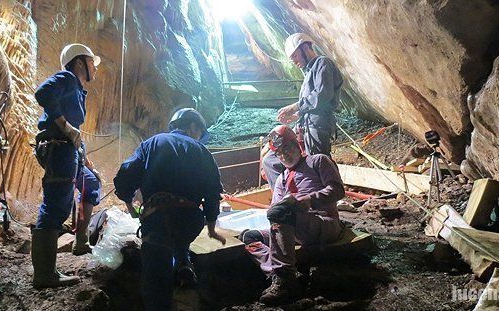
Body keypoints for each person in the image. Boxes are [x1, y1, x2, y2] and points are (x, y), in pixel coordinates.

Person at [114, 108, 226, 311]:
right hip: (191, 221)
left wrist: (129, 202)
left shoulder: (152, 143)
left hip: (159, 217)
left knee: (156, 278)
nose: (199, 137)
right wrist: (211, 227)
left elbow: (126, 174)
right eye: (200, 132)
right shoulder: (203, 152)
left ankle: (163, 297)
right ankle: (184, 267)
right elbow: (212, 193)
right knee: (179, 240)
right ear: (193, 126)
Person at [242, 125, 345, 305]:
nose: (284, 155)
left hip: (323, 223)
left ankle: (285, 280)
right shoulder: (282, 179)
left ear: (297, 144)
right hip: (294, 228)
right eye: (279, 153)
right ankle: (280, 275)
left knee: (283, 212)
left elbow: (337, 190)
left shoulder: (318, 161)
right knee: (249, 237)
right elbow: (275, 212)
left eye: (287, 149)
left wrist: (309, 200)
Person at [32, 43, 101, 288]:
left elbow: (74, 131)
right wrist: (64, 124)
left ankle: (81, 241)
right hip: (58, 147)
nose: (94, 68)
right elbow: (43, 93)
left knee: (91, 182)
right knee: (56, 206)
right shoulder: (68, 78)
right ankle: (44, 275)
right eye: (92, 62)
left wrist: (83, 155)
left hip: (69, 149)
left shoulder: (78, 89)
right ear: (79, 62)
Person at [262, 33, 344, 189]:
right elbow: (311, 102)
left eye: (295, 55)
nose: (293, 60)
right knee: (271, 160)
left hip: (318, 124)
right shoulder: (308, 72)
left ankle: (332, 196)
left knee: (321, 162)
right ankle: (285, 196)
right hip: (305, 125)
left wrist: (295, 107)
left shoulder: (322, 63)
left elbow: (322, 95)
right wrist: (297, 115)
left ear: (305, 48)